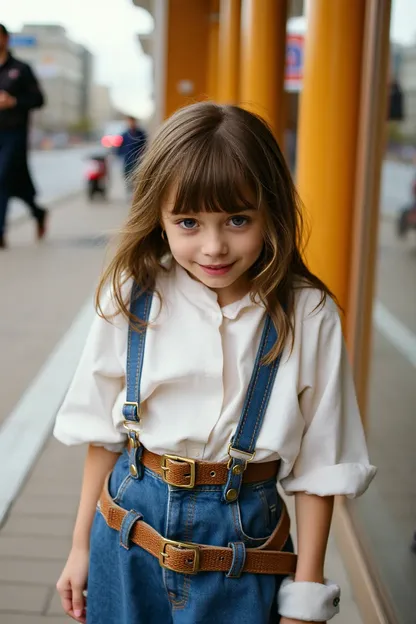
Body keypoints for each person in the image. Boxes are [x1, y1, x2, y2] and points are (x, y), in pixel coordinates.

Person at [54, 102, 376, 624]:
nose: (213, 246)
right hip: (126, 525)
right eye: (188, 222)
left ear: (271, 210)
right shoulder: (134, 296)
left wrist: (307, 591)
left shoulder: (307, 313)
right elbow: (103, 434)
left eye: (237, 219)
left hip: (246, 544)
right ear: (157, 218)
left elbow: (323, 462)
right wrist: (79, 549)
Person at [0, 24, 47, 249]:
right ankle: (38, 212)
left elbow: (39, 100)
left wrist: (14, 102)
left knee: (2, 177)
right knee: (13, 183)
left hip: (14, 133)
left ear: (6, 39)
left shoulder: (21, 69)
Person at [117, 115, 147, 194]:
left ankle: (136, 192)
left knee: (137, 177)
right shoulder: (124, 135)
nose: (131, 123)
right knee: (127, 176)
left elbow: (144, 145)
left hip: (137, 159)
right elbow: (120, 148)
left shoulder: (140, 133)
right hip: (127, 159)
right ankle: (129, 192)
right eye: (129, 121)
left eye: (132, 121)